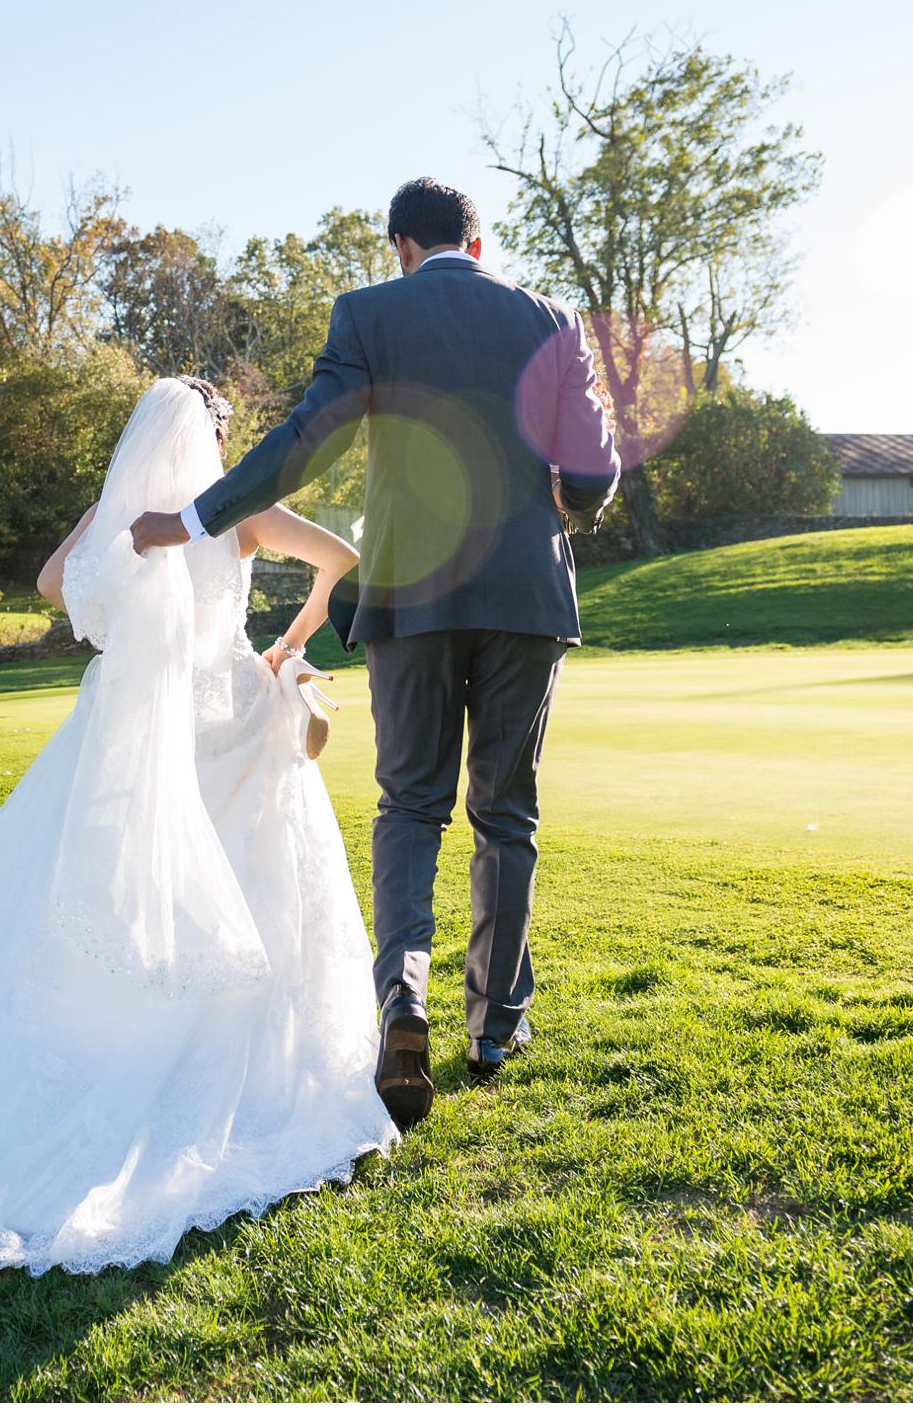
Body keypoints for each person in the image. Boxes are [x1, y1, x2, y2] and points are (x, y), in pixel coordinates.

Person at [0, 376, 396, 1274]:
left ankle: (79, 1071)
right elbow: (342, 560)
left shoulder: (123, 508)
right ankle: (241, 1077)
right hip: (227, 713)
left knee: (102, 902)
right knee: (250, 882)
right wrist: (291, 641)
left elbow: (55, 581)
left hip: (136, 726)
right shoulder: (240, 508)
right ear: (216, 440)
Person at [130, 176, 619, 1130]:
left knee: (411, 804)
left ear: (401, 244)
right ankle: (492, 1028)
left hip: (412, 591)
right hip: (525, 593)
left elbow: (301, 448)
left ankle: (403, 997)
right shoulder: (553, 320)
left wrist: (195, 515)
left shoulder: (368, 314)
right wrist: (574, 513)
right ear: (476, 246)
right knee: (505, 811)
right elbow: (594, 465)